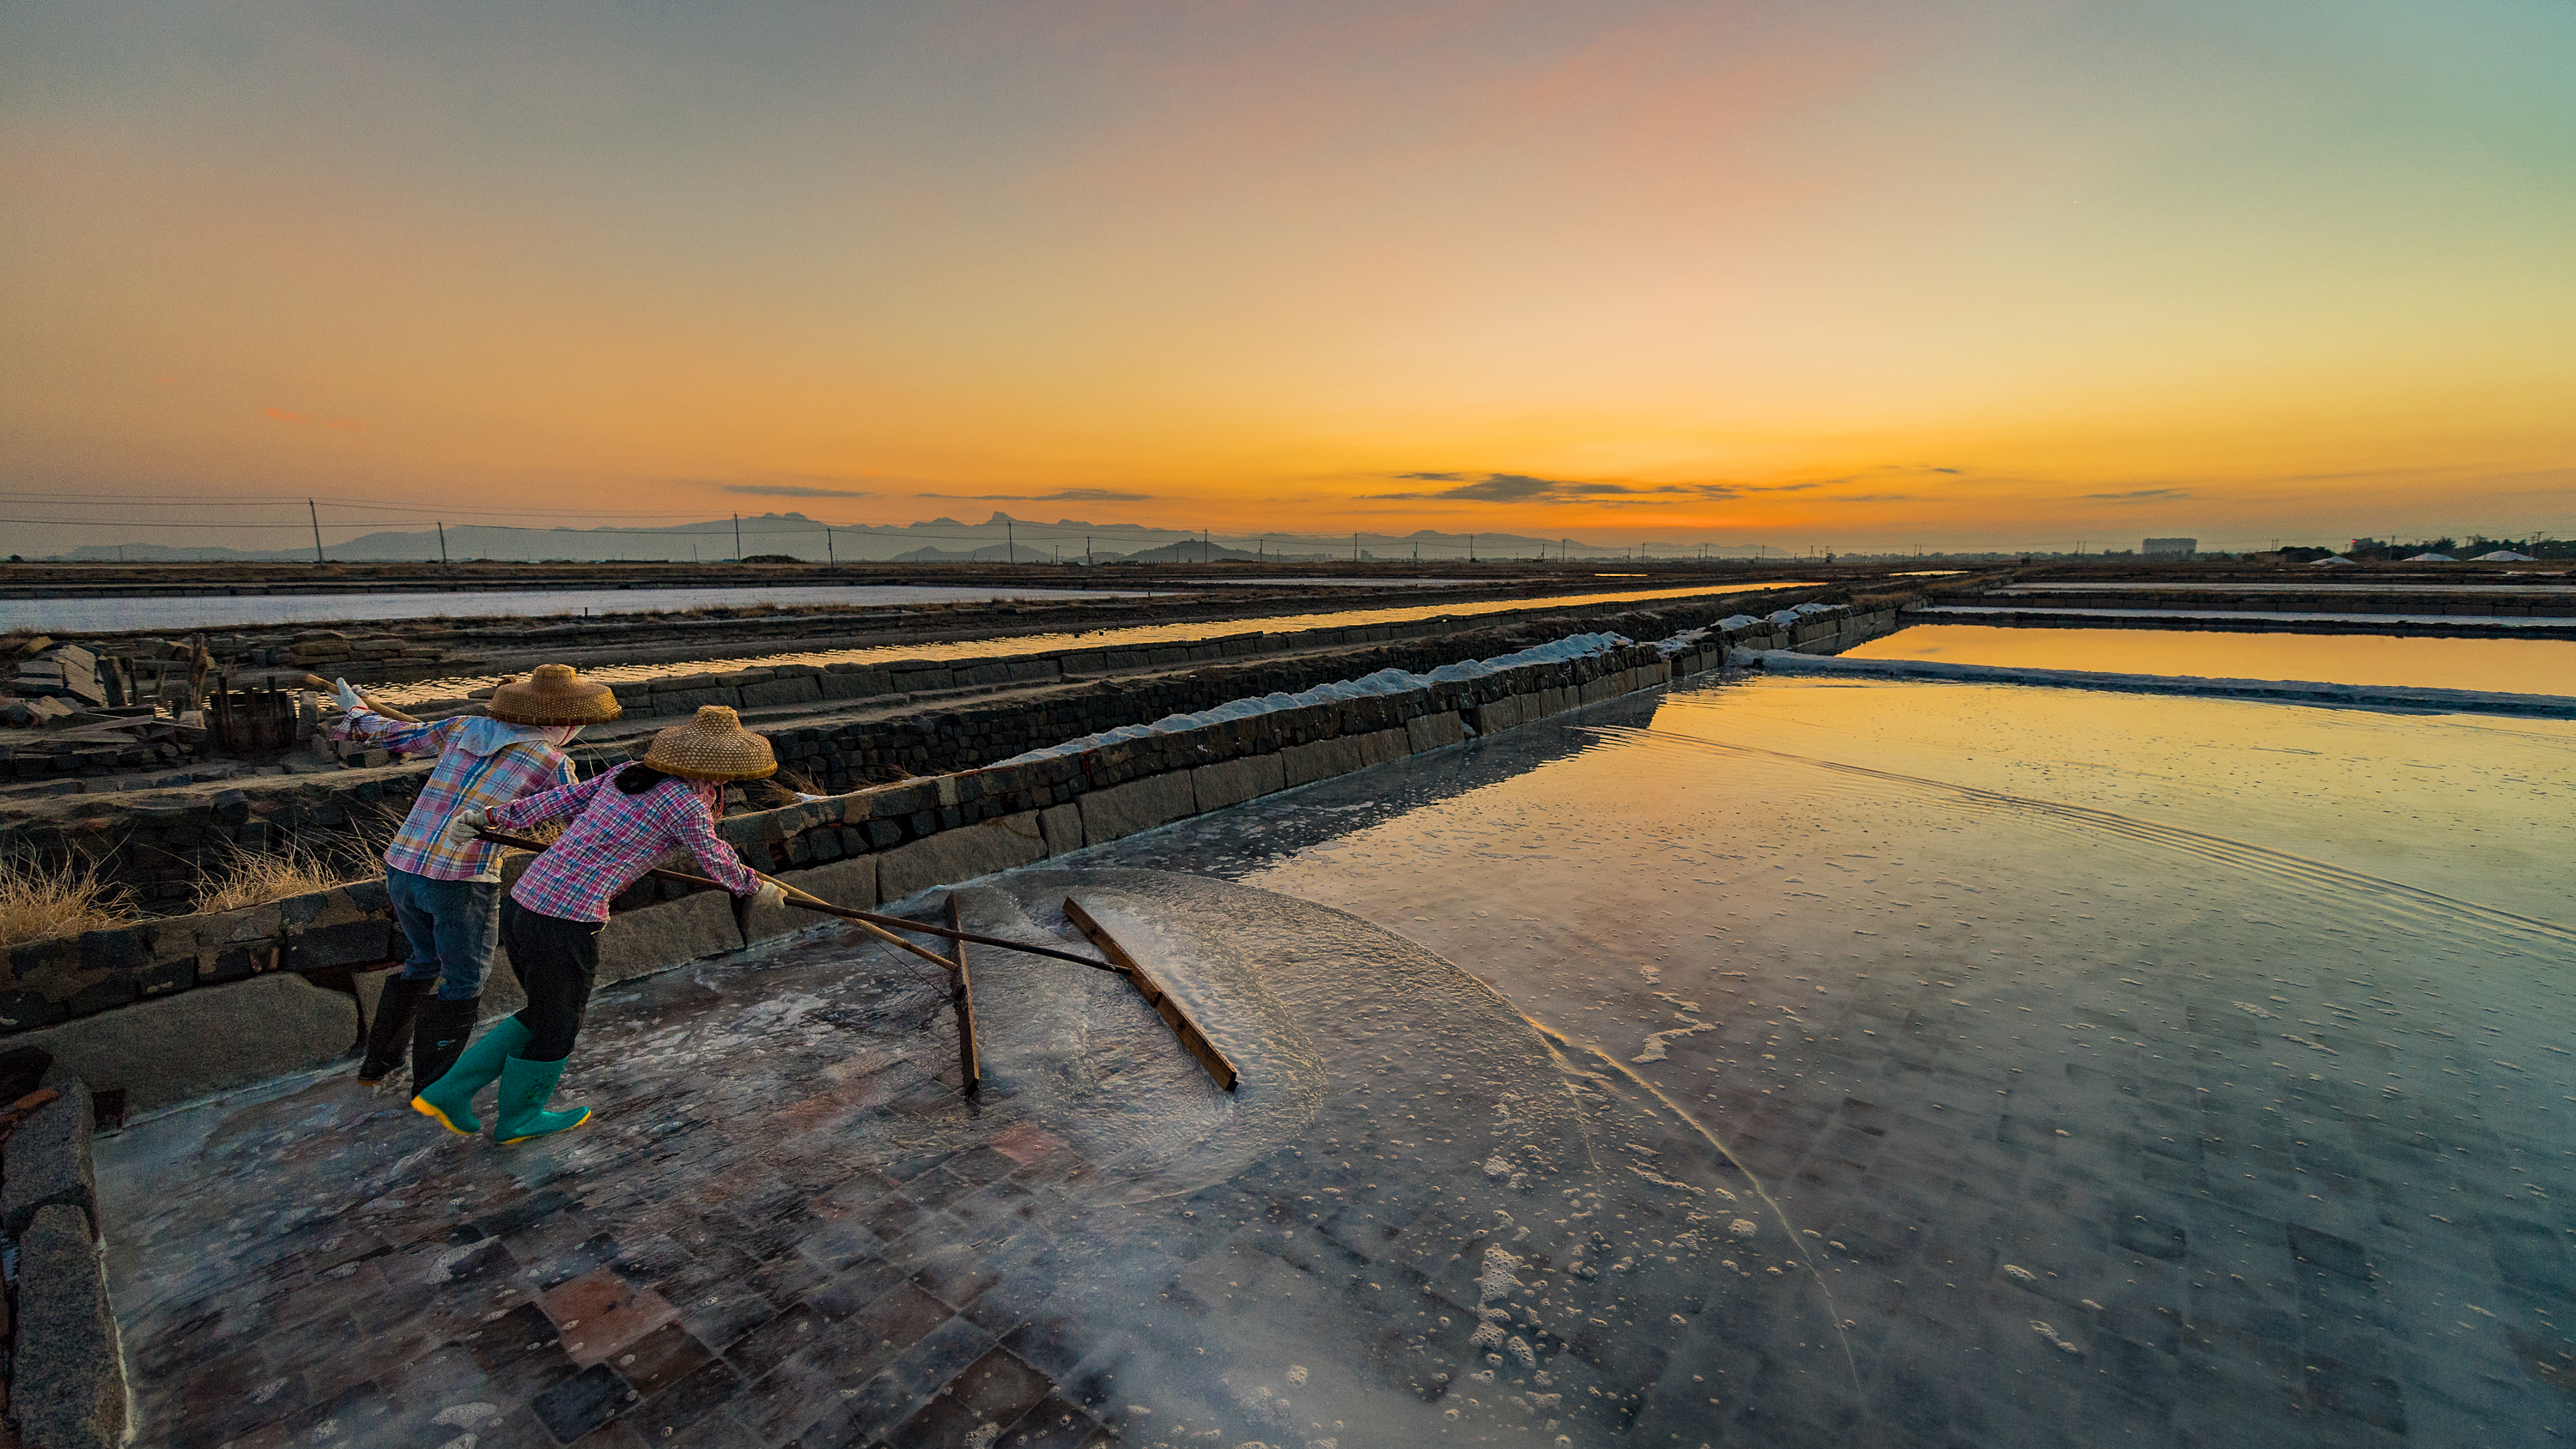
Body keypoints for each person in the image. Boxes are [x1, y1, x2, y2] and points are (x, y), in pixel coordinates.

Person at [412, 706, 786, 1144]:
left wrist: (489, 817)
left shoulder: (628, 773)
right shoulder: (686, 804)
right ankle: (518, 1117)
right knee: (558, 1024)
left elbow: (553, 802)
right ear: (717, 770)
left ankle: (449, 1092)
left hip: (526, 903)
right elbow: (713, 854)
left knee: (544, 1012)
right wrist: (753, 887)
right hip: (564, 921)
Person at [331, 664, 621, 1093]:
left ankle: (376, 1067)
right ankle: (432, 1089)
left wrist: (355, 711)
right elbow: (584, 820)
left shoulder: (464, 727)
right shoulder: (552, 760)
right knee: (463, 981)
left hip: (403, 865)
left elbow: (393, 734)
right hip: (460, 877)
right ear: (567, 722)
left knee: (423, 961)